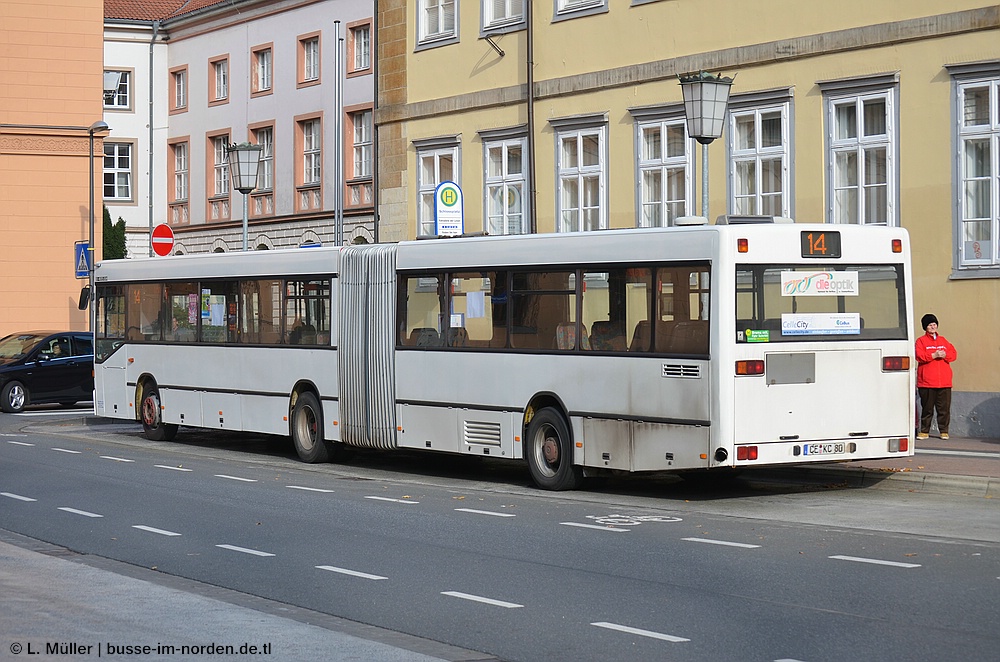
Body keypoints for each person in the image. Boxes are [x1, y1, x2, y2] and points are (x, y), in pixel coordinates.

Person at [915, 313, 957, 440]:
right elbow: (919, 355)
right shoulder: (921, 341)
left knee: (944, 409)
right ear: (925, 327)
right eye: (930, 325)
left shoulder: (943, 340)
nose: (933, 327)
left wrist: (945, 355)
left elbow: (953, 354)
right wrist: (933, 355)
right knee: (927, 408)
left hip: (944, 381)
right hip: (927, 382)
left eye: (934, 324)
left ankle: (944, 431)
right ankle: (924, 431)